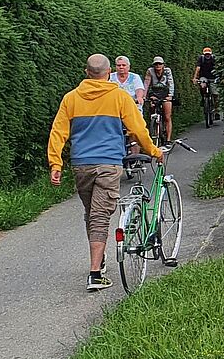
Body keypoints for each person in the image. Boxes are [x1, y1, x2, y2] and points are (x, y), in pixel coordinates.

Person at [48, 54, 163, 291]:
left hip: (81, 165)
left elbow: (58, 132)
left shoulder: (71, 98)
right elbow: (138, 129)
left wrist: (56, 164)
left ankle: (98, 261)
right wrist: (153, 150)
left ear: (86, 71)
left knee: (92, 213)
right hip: (109, 163)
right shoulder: (119, 96)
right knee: (99, 216)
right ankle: (94, 275)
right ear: (109, 71)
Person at [143, 56, 175, 142]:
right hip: (154, 93)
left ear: (163, 65)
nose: (158, 66)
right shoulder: (150, 71)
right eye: (156, 64)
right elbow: (146, 83)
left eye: (160, 64)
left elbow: (171, 82)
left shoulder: (167, 71)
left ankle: (168, 139)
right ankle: (154, 127)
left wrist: (170, 95)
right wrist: (143, 96)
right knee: (152, 107)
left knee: (167, 116)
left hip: (165, 93)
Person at [192, 47, 220, 120]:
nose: (207, 55)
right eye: (206, 54)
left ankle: (216, 110)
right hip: (203, 77)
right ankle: (203, 98)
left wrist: (221, 77)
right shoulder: (201, 59)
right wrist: (195, 78)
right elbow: (198, 68)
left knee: (215, 94)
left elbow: (218, 68)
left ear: (211, 54)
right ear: (204, 54)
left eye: (208, 54)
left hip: (213, 77)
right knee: (202, 85)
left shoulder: (214, 59)